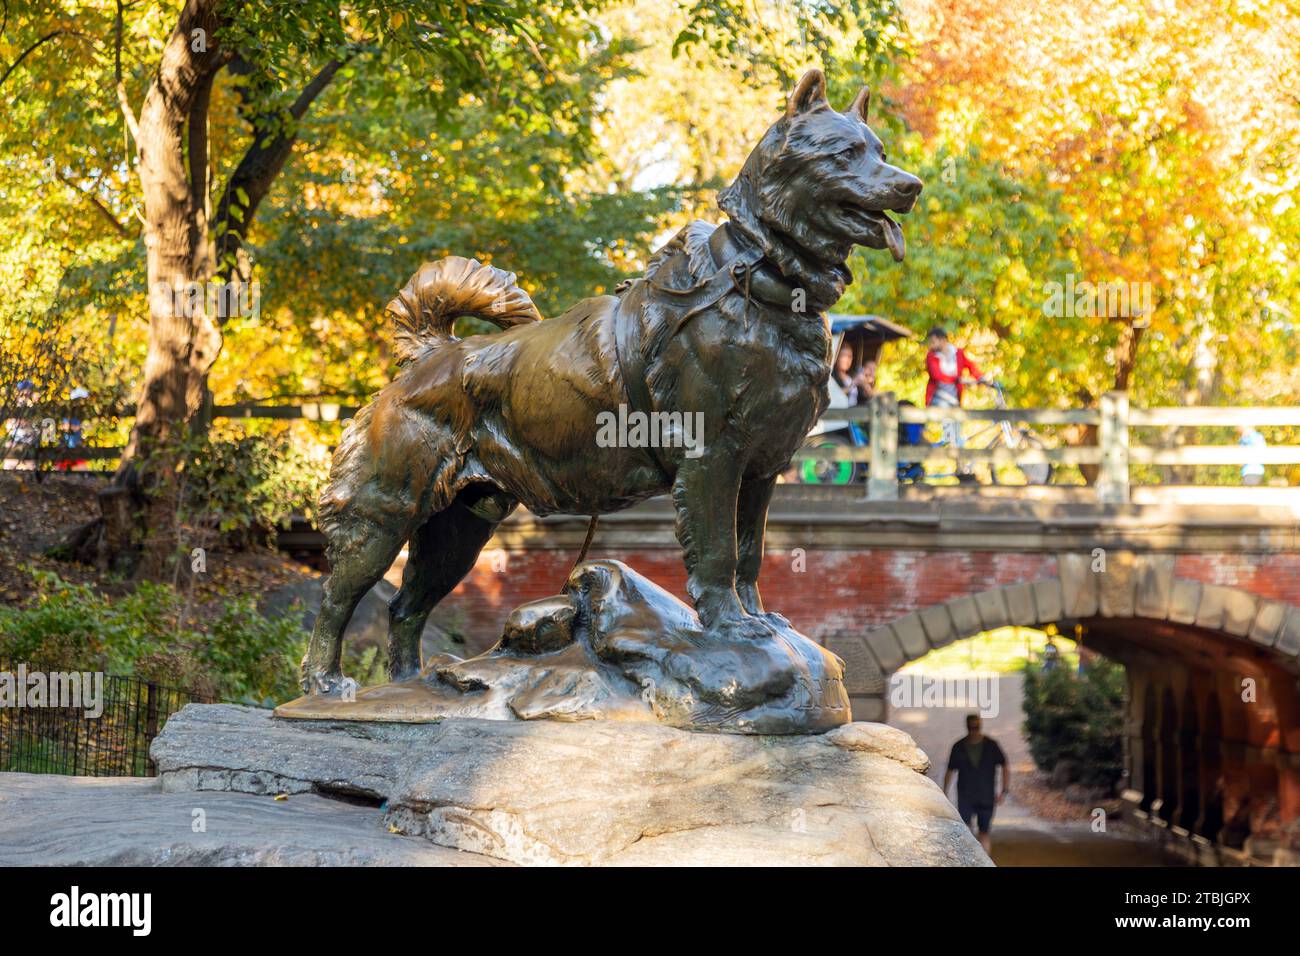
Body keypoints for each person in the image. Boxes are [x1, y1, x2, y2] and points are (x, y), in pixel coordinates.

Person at [925, 328, 988, 480]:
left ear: (943, 340)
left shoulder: (957, 353)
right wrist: (958, 379)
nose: (931, 345)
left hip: (954, 400)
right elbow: (937, 375)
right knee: (951, 433)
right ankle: (960, 466)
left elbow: (971, 367)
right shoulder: (931, 356)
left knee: (957, 432)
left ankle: (961, 468)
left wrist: (982, 378)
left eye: (933, 341)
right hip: (939, 400)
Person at [943, 713, 1009, 854]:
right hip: (971, 796)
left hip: (981, 796)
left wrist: (1004, 790)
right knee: (973, 832)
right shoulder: (961, 746)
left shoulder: (988, 746)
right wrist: (944, 793)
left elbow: (1005, 766)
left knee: (978, 833)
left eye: (976, 727)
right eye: (972, 727)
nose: (974, 730)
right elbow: (949, 771)